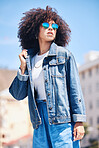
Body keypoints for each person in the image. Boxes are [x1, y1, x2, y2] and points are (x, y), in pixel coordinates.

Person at [9, 6, 86, 148]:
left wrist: (79, 121)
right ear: (35, 31)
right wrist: (23, 67)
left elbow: (74, 89)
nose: (51, 28)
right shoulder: (30, 60)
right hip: (39, 122)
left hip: (61, 120)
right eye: (45, 25)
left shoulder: (64, 55)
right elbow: (18, 95)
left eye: (54, 26)